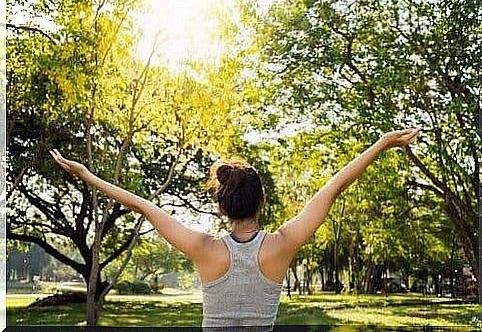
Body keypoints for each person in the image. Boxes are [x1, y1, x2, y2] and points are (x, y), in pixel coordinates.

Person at [50, 128, 420, 331]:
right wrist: (383, 143)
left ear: (221, 206)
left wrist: (85, 174)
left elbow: (142, 205)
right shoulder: (282, 245)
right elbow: (333, 187)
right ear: (262, 203)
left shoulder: (203, 248)